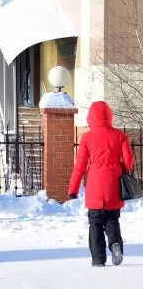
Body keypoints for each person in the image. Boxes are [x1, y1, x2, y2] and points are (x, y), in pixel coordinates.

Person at [68, 101, 135, 267]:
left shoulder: (87, 138)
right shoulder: (120, 136)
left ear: (91, 117)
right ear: (109, 115)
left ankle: (98, 259)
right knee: (112, 220)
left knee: (95, 223)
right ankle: (115, 244)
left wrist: (73, 189)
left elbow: (80, 166)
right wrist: (120, 168)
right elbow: (129, 161)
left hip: (95, 186)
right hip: (114, 184)